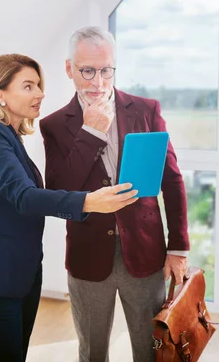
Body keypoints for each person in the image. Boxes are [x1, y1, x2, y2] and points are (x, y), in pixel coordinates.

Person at [0, 53, 139, 362]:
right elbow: (24, 197)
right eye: (27, 86)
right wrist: (91, 201)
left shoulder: (11, 137)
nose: (39, 93)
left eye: (39, 85)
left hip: (21, 269)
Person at [39, 27, 190, 362]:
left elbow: (172, 180)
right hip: (88, 257)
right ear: (69, 69)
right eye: (87, 71)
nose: (97, 82)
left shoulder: (146, 110)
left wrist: (178, 247)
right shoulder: (54, 125)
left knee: (150, 350)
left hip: (146, 252)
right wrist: (91, 131)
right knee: (92, 351)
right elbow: (60, 193)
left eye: (106, 70)